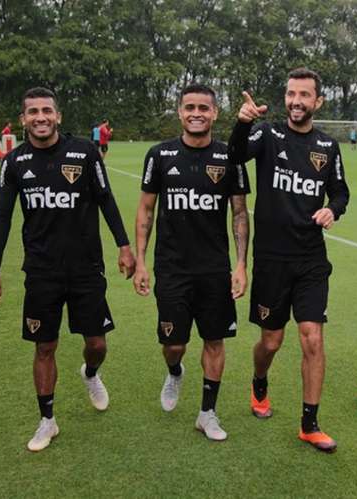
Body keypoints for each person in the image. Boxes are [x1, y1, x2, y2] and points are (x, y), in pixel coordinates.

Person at [0, 87, 136, 452]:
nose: (40, 117)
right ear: (23, 119)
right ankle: (47, 420)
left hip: (86, 268)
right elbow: (2, 218)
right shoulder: (14, 162)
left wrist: (124, 245)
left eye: (47, 110)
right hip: (41, 271)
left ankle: (91, 374)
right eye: (33, 111)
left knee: (96, 343)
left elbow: (106, 200)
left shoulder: (84, 152)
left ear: (58, 116)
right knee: (44, 346)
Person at [228, 67, 350, 452]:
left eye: (304, 95)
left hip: (312, 258)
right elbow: (234, 155)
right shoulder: (267, 134)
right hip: (271, 259)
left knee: (312, 338)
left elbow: (342, 193)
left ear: (319, 102)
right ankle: (259, 382)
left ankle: (310, 423)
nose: (297, 102)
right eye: (291, 94)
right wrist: (242, 124)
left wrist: (333, 210)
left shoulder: (328, 148)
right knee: (272, 341)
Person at [133, 84, 250, 441]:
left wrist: (241, 264)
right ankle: (175, 371)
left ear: (215, 113)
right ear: (180, 112)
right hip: (172, 268)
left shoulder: (230, 157)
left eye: (204, 107)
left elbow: (240, 213)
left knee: (215, 341)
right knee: (175, 344)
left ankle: (207, 413)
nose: (196, 113)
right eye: (189, 107)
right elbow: (146, 210)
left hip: (214, 270)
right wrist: (140, 261)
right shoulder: (159, 155)